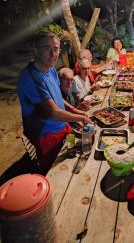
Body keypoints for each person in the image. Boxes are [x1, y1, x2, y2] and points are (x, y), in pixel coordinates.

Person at [17, 33, 92, 174]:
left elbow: (58, 98)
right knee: (57, 173)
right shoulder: (30, 77)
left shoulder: (51, 70)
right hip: (46, 135)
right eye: (47, 48)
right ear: (36, 50)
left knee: (79, 158)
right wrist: (81, 118)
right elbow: (54, 112)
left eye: (56, 49)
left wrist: (77, 111)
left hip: (63, 127)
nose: (53, 53)